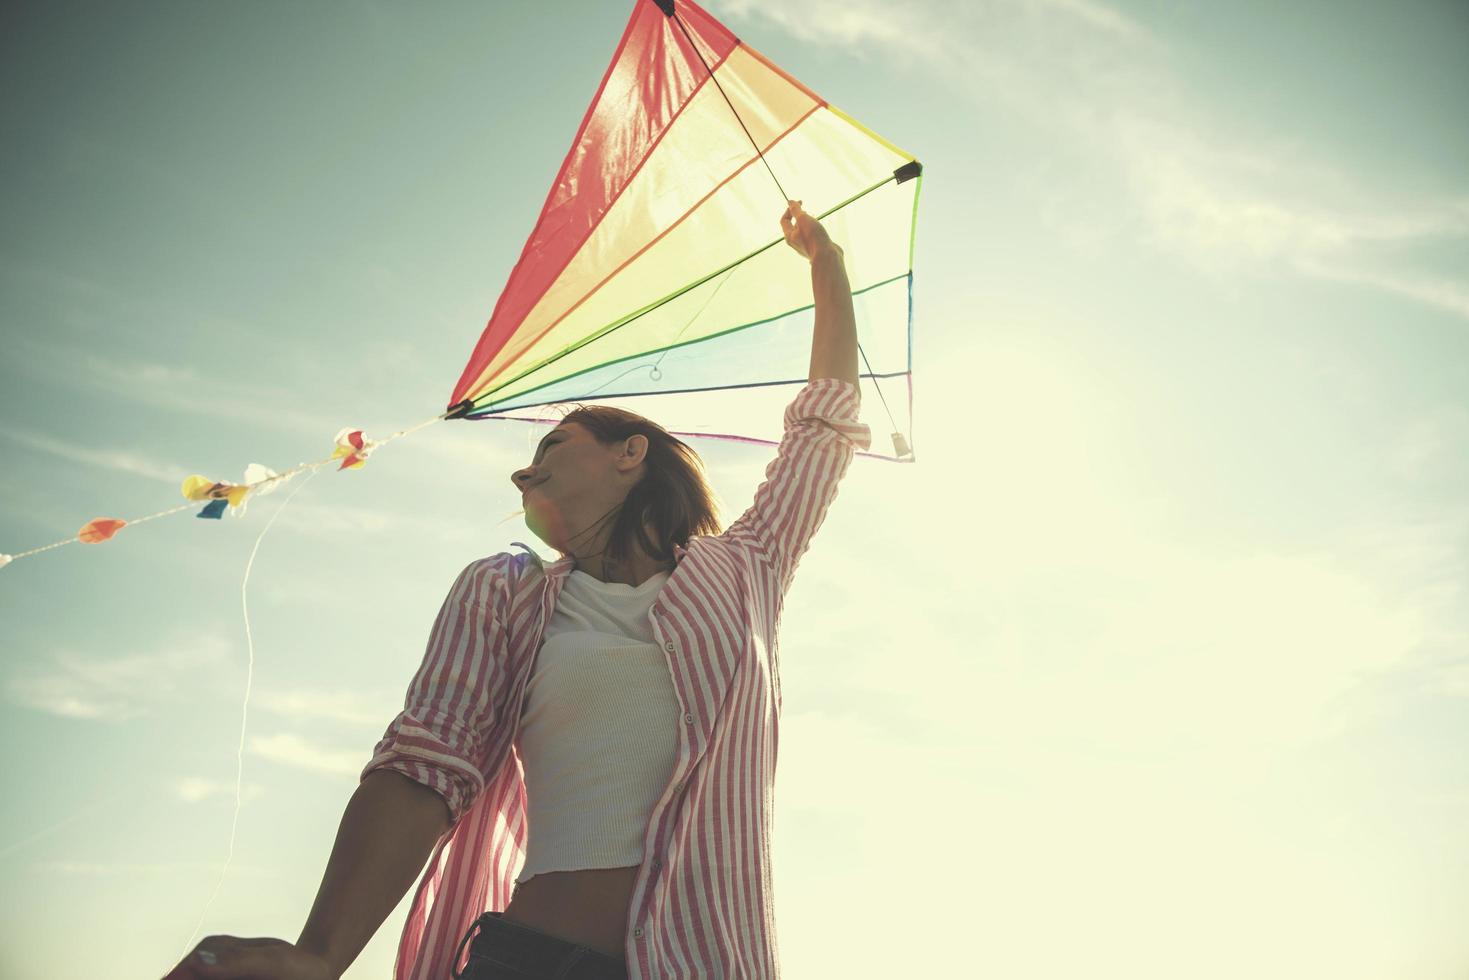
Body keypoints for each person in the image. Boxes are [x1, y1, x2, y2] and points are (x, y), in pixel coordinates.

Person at [163, 201, 871, 980]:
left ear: (630, 453)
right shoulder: (502, 593)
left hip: (703, 963)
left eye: (552, 444)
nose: (521, 470)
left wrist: (826, 264)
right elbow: (425, 762)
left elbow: (823, 430)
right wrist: (319, 954)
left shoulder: (746, 567)